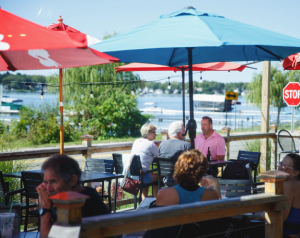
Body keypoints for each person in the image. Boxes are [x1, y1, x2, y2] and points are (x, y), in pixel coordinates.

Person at [36, 154, 109, 237]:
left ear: (72, 180)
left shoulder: (80, 202)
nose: (48, 189)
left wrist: (45, 209)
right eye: (46, 182)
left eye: (53, 182)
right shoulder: (86, 194)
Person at [158, 121, 191, 187]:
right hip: (182, 182)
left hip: (166, 182)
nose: (185, 133)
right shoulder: (186, 145)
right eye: (184, 131)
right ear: (179, 133)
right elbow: (190, 164)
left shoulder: (162, 144)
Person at [131, 123, 159, 199]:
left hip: (133, 176)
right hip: (141, 177)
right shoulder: (151, 144)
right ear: (148, 134)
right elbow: (159, 157)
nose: (156, 134)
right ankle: (156, 203)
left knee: (146, 174)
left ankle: (145, 203)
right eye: (154, 132)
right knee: (161, 178)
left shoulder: (136, 141)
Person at [278, 154, 300, 238]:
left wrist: (258, 215)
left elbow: (280, 217)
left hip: (287, 235)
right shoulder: (297, 184)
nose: (279, 168)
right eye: (280, 164)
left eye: (284, 166)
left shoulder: (289, 185)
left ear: (295, 173)